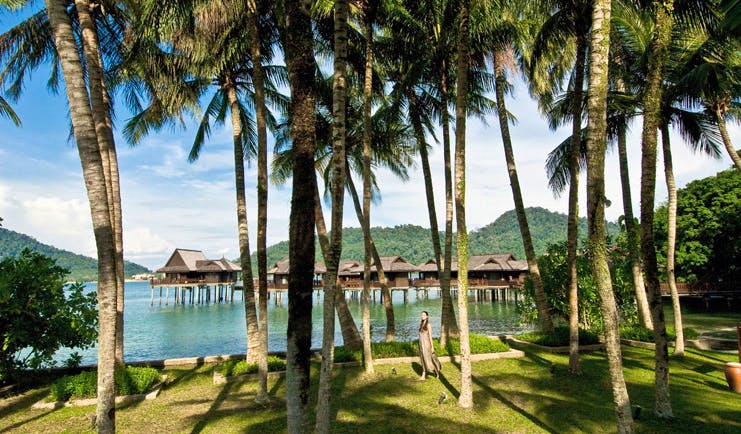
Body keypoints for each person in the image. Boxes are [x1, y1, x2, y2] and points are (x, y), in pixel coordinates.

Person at [418, 310, 441, 380]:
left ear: (427, 316)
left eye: (424, 315)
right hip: (421, 345)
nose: (422, 316)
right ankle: (423, 375)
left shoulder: (428, 325)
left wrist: (432, 347)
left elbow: (430, 337)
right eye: (422, 315)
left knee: (429, 359)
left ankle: (436, 371)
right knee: (423, 359)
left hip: (427, 345)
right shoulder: (421, 324)